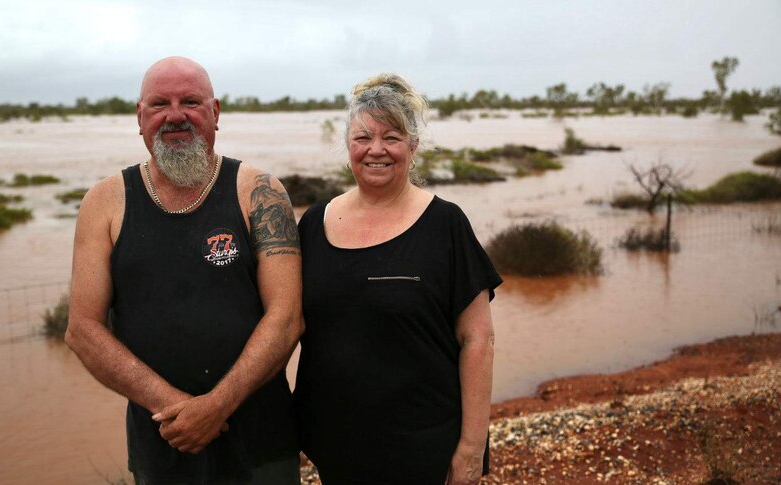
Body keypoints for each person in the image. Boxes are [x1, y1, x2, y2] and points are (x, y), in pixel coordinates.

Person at [65, 56, 303, 484]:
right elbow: (82, 330)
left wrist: (215, 407)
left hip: (261, 440)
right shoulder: (105, 202)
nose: (175, 115)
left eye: (190, 101)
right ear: (140, 118)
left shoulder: (259, 192)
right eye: (160, 104)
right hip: (164, 441)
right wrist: (178, 409)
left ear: (215, 113)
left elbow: (286, 319)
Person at [294, 74, 502, 485]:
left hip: (424, 447)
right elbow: (287, 322)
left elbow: (478, 339)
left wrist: (471, 448)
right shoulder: (314, 223)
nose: (376, 150)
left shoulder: (445, 224)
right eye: (363, 137)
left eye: (391, 137)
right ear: (347, 146)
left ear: (413, 146)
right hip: (336, 445)